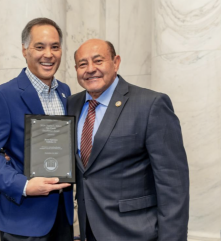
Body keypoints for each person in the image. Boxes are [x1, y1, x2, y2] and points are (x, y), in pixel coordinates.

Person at [68, 39, 189, 241]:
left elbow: (173, 184)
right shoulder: (72, 104)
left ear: (116, 62)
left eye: (98, 61)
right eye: (82, 64)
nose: (90, 69)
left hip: (136, 232)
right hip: (89, 231)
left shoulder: (151, 105)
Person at [0, 18, 74, 241]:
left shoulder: (65, 92)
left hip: (62, 216)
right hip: (23, 219)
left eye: (55, 47)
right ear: (24, 50)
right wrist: (24, 185)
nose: (48, 54)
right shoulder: (4, 96)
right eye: (40, 46)